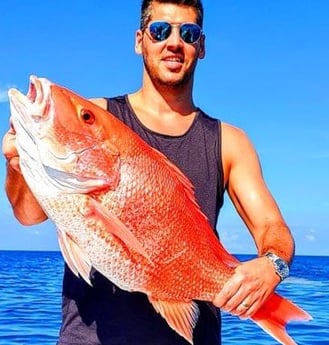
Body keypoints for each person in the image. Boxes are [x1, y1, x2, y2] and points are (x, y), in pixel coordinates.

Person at [2, 0, 295, 344]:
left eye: (188, 33)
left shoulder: (229, 142)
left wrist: (272, 265)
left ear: (200, 47)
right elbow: (28, 214)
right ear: (140, 40)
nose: (173, 42)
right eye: (160, 31)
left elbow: (271, 227)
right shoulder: (100, 112)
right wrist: (17, 164)